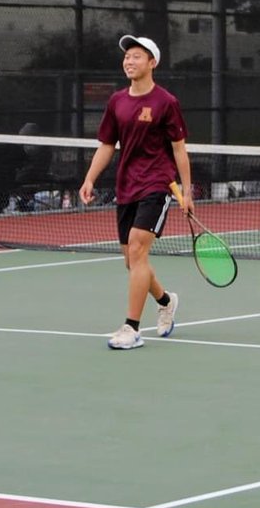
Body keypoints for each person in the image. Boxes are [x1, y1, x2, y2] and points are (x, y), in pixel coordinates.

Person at [79, 35, 192, 350]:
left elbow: (180, 150)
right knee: (131, 260)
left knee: (139, 251)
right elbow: (106, 145)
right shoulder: (117, 101)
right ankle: (166, 301)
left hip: (157, 184)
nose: (129, 61)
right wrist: (89, 178)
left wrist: (187, 190)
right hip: (125, 185)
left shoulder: (166, 102)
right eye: (127, 56)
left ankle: (131, 328)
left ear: (152, 62)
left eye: (137, 56)